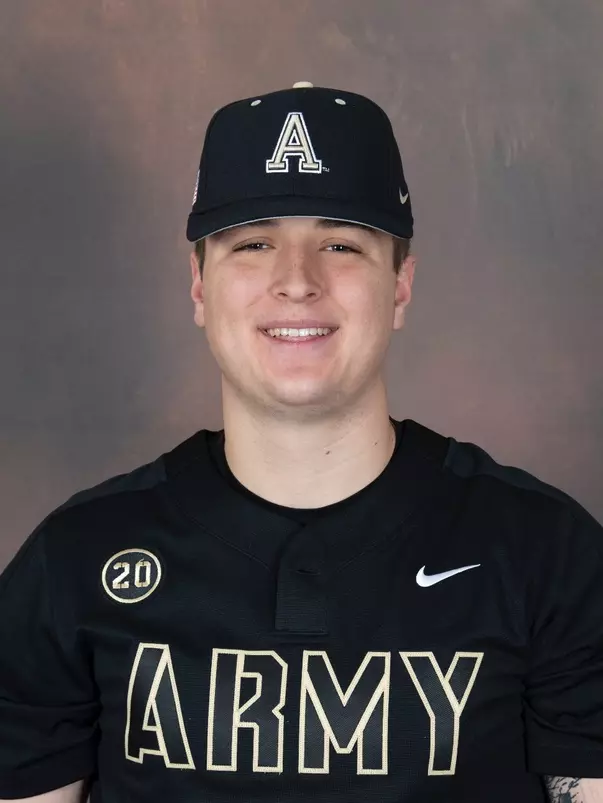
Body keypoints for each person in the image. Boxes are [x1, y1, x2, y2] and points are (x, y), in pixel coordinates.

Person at [0, 82, 601, 803]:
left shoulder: (546, 553)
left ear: (400, 284)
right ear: (198, 285)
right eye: (252, 243)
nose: (295, 282)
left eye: (341, 243)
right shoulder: (75, 558)